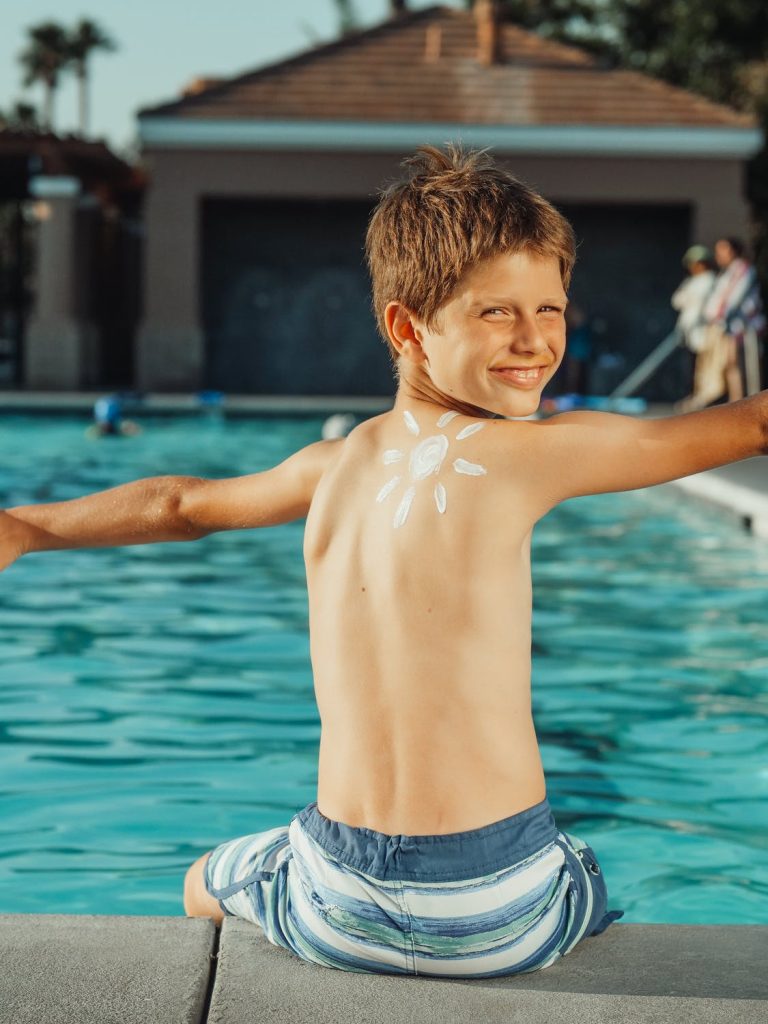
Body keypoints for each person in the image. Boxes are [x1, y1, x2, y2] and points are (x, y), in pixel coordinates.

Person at [1, 146, 767, 978]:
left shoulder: (330, 465)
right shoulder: (536, 454)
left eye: (550, 308)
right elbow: (752, 425)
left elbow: (181, 506)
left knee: (203, 882)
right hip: (495, 914)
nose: (536, 340)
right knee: (579, 863)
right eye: (495, 314)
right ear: (408, 328)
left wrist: (23, 528)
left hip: (337, 902)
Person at [685, 238, 764, 410]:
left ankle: (751, 407)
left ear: (733, 251)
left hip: (743, 328)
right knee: (731, 365)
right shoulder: (727, 273)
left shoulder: (743, 270)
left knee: (746, 368)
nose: (718, 255)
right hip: (728, 328)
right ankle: (737, 404)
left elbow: (733, 300)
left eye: (723, 250)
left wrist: (717, 317)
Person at [672, 246, 717, 412]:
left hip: (703, 332)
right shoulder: (690, 281)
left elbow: (703, 304)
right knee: (689, 367)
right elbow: (677, 300)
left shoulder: (710, 280)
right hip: (689, 332)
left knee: (703, 368)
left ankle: (702, 399)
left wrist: (689, 298)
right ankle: (691, 397)